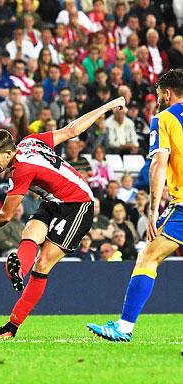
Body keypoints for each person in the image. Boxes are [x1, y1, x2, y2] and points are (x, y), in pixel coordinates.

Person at [0, 95, 125, 338]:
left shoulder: (21, 170)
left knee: (43, 263)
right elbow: (72, 129)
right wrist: (107, 106)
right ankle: (18, 271)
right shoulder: (31, 141)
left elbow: (5, 215)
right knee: (30, 233)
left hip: (78, 204)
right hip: (55, 200)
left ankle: (10, 327)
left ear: (9, 152)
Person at [88, 71, 183, 342]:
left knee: (148, 258)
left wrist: (152, 210)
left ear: (166, 94)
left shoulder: (164, 118)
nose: (158, 99)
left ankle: (125, 327)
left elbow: (158, 164)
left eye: (159, 94)